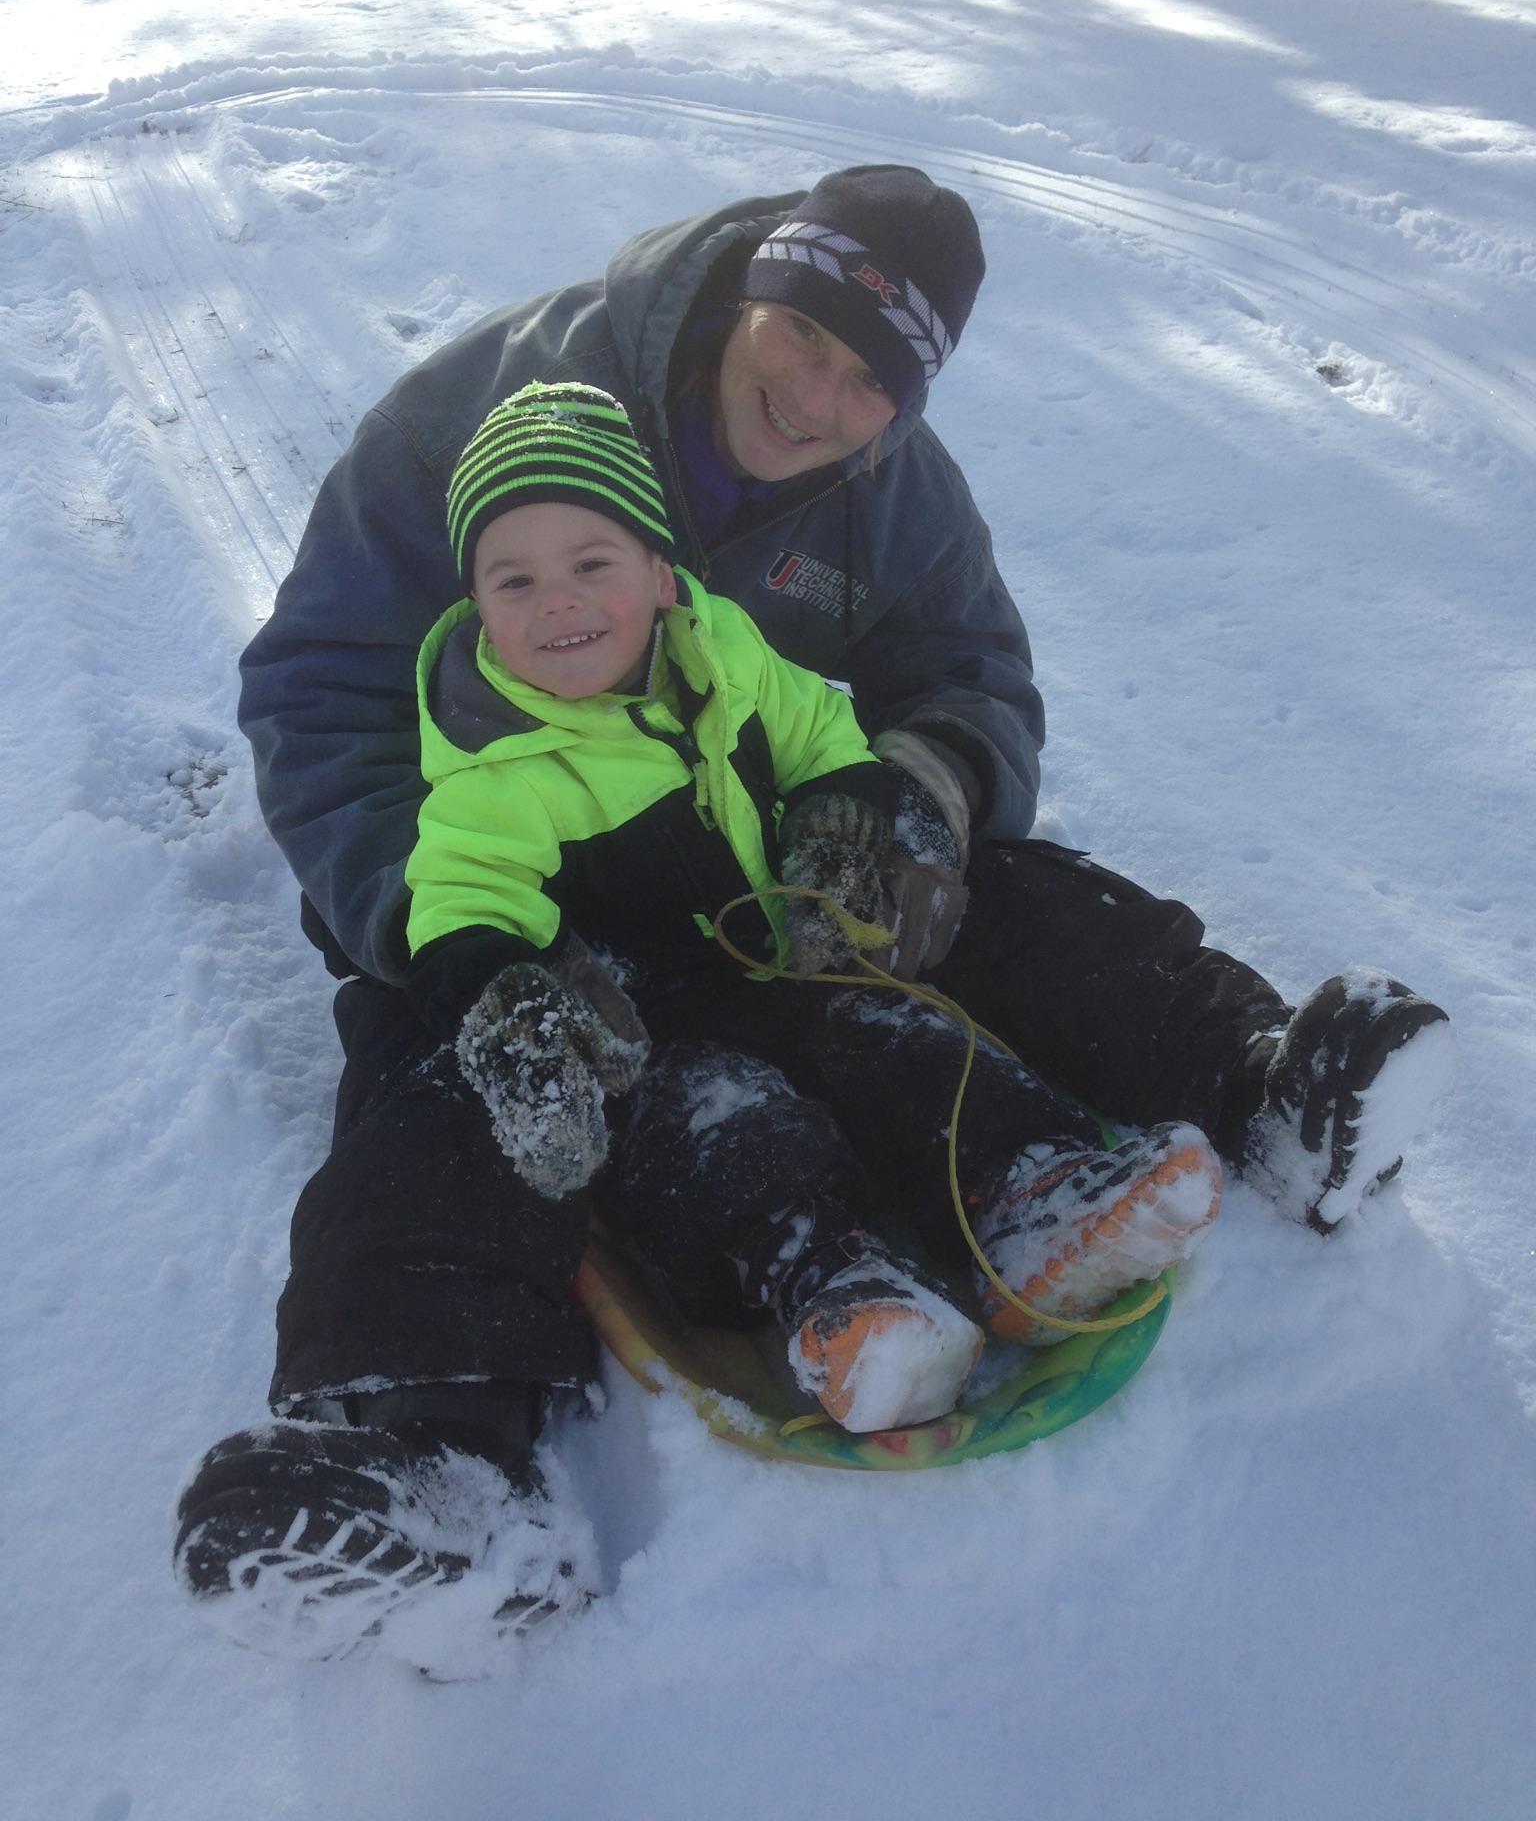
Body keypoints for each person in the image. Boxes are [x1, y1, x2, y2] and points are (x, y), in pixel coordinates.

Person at [173, 164, 1452, 1673]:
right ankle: (435, 1470)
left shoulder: (889, 491)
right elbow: (315, 685)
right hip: (484, 877)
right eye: (801, 335)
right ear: (749, 291)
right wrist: (448, 939)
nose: (815, 397)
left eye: (869, 380)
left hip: (730, 873)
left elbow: (975, 677)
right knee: (454, 1082)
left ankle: (1260, 1087)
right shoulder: (498, 415)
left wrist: (909, 793)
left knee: (990, 894)